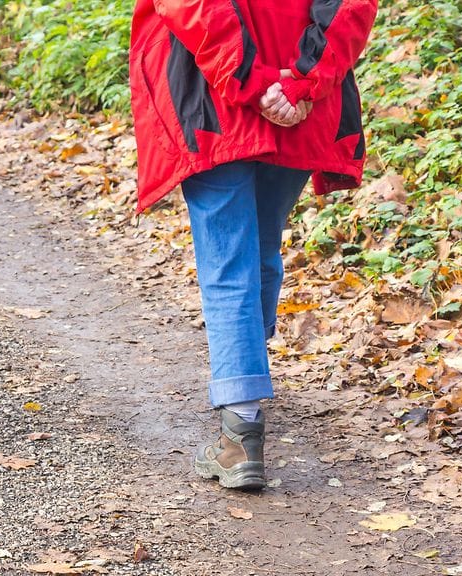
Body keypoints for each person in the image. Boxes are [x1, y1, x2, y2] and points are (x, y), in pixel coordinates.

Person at [129, 0, 378, 489]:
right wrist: (300, 81)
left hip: (213, 98)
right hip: (300, 99)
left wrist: (257, 82)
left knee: (229, 262)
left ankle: (241, 425)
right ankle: (247, 372)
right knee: (260, 247)